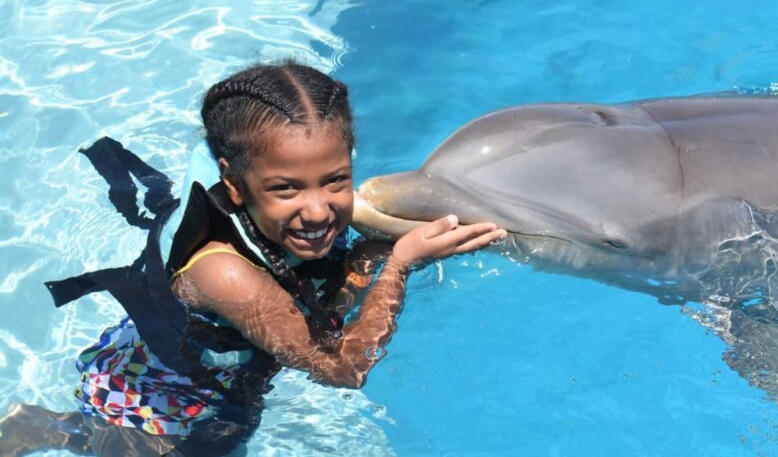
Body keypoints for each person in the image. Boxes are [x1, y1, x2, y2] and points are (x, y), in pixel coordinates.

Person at [0, 61, 506, 456]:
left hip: (218, 369)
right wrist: (399, 265)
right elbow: (343, 370)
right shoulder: (223, 272)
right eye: (286, 188)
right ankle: (51, 429)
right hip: (158, 406)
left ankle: (58, 429)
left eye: (335, 179)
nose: (318, 210)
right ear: (235, 184)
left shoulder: (290, 215)